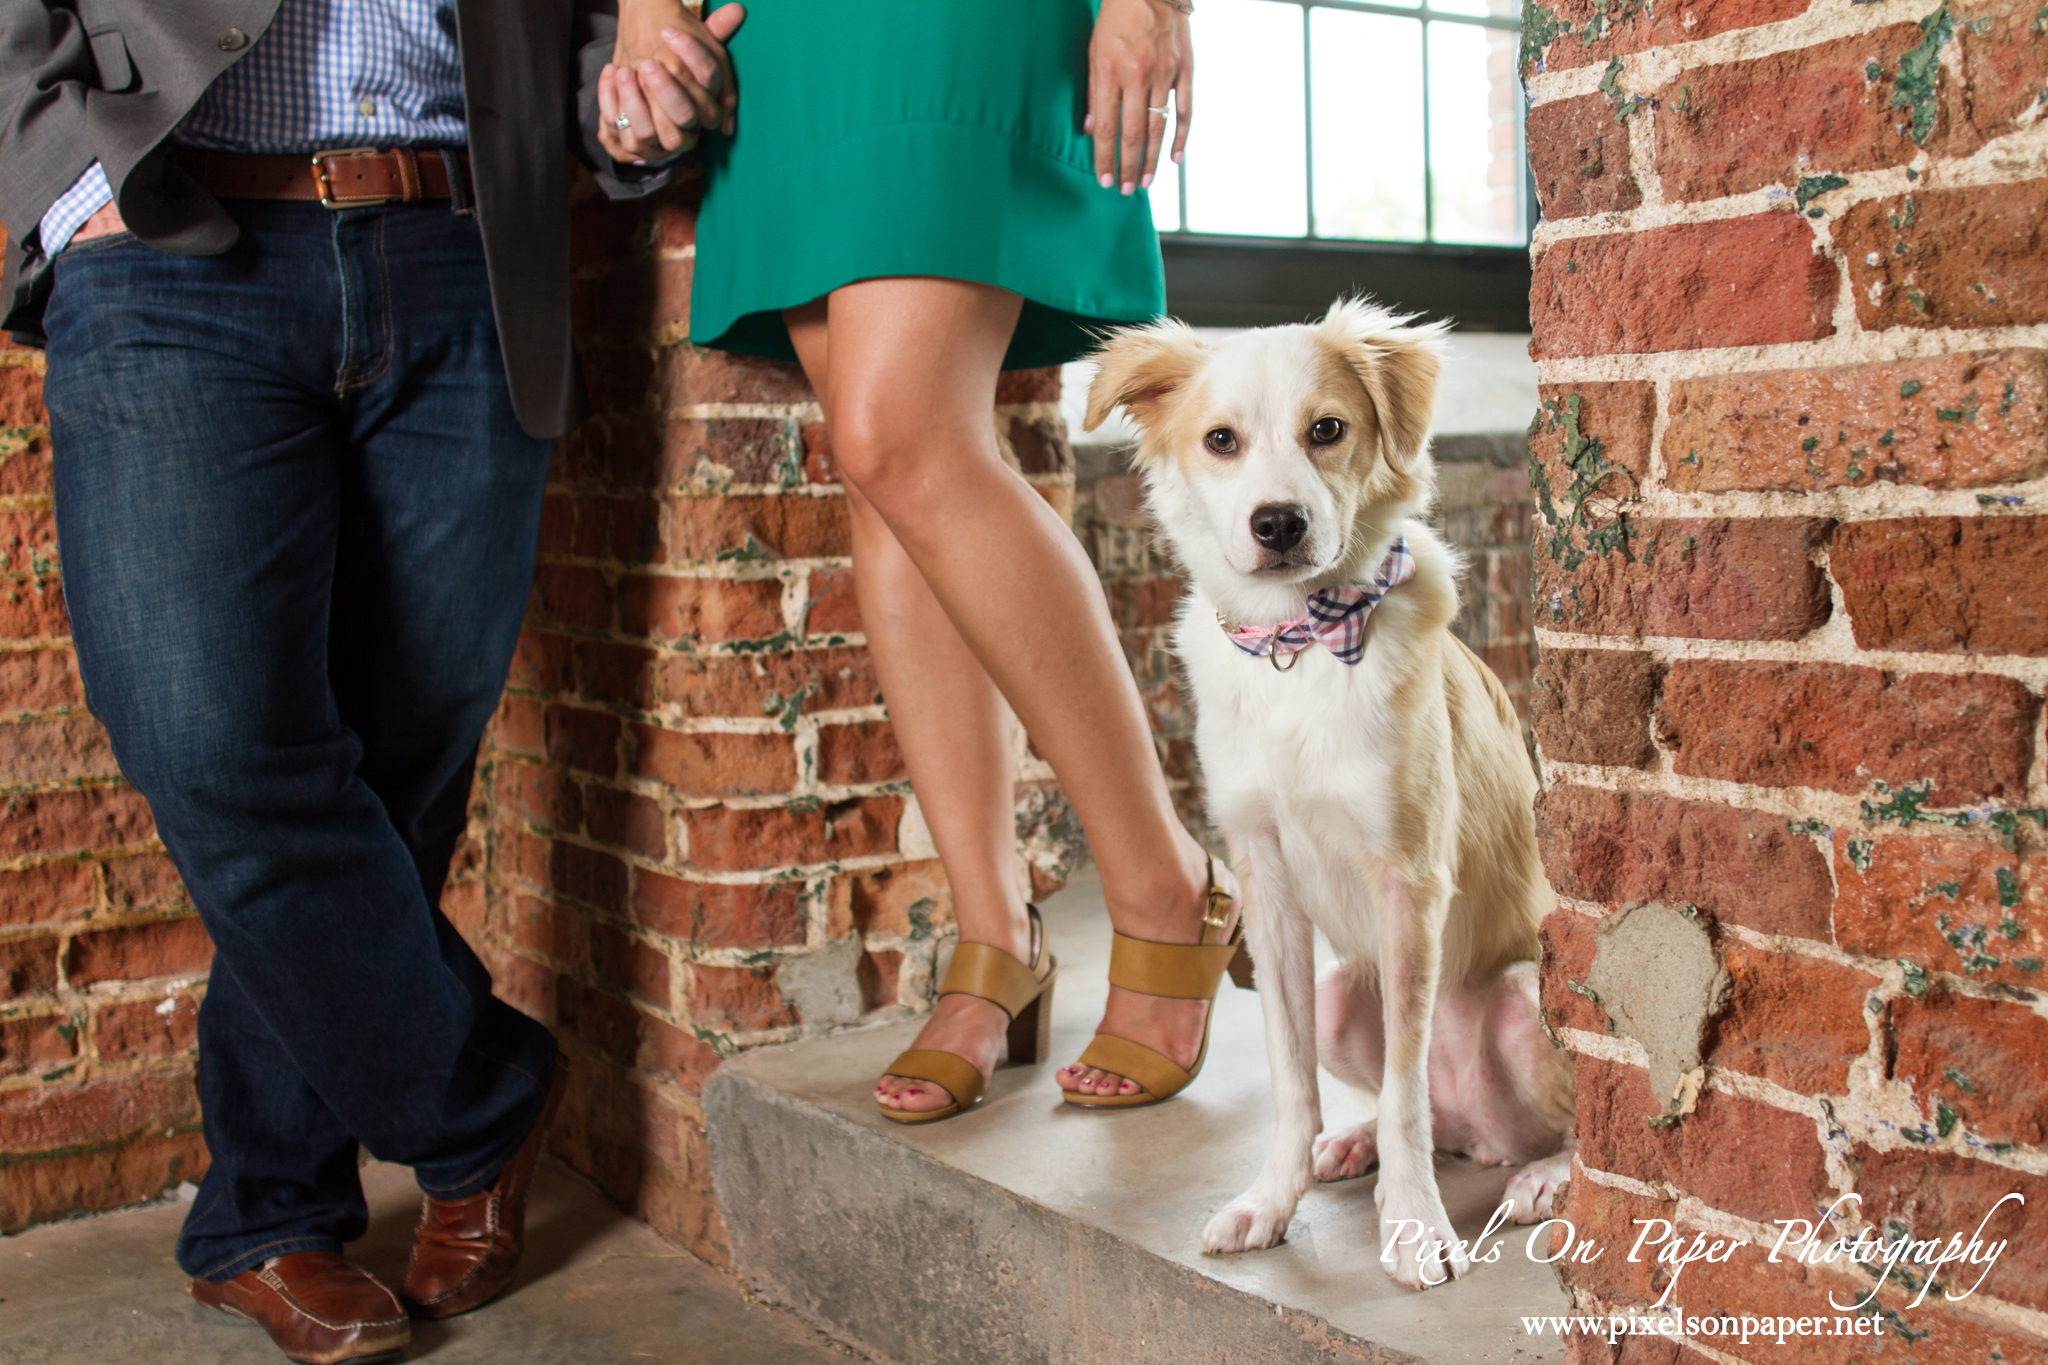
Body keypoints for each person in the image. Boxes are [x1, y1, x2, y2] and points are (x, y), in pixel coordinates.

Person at [0, 3, 735, 1360]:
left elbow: (573, 36)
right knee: (211, 739)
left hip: (463, 252)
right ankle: (481, 1101)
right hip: (172, 236)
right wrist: (60, 186)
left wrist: (623, 108)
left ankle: (269, 1214)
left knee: (399, 776)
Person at [611, 0, 1248, 1125]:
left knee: (897, 439)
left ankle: (1162, 885)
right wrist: (644, 13)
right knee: (886, 472)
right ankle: (994, 933)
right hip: (789, 32)